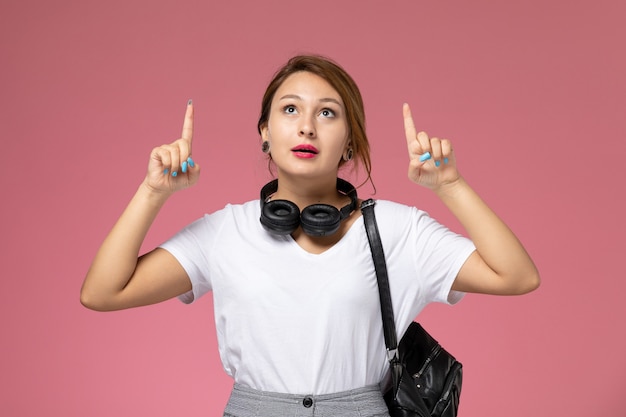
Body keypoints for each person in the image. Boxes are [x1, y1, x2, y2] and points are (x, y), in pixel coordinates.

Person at [81, 55, 540, 417]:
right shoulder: (225, 231)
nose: (306, 125)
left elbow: (517, 275)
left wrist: (450, 187)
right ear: (265, 132)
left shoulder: (398, 230)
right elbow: (103, 291)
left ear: (350, 142)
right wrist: (152, 192)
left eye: (326, 112)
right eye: (290, 109)